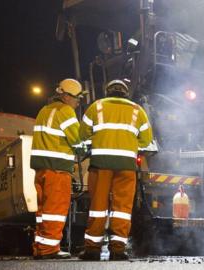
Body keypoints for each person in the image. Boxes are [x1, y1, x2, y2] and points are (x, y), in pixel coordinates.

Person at [78, 79, 153, 260]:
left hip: (100, 165)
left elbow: (83, 135)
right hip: (127, 166)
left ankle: (92, 250)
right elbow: (146, 140)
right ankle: (118, 250)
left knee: (97, 206)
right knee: (122, 208)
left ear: (108, 91)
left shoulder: (96, 107)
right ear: (125, 92)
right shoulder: (138, 110)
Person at [30, 78, 86, 260]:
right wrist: (87, 148)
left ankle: (40, 247)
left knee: (43, 211)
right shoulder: (66, 112)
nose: (78, 102)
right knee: (55, 210)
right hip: (58, 170)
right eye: (77, 98)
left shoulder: (44, 111)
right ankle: (49, 250)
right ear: (67, 96)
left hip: (41, 169)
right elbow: (77, 141)